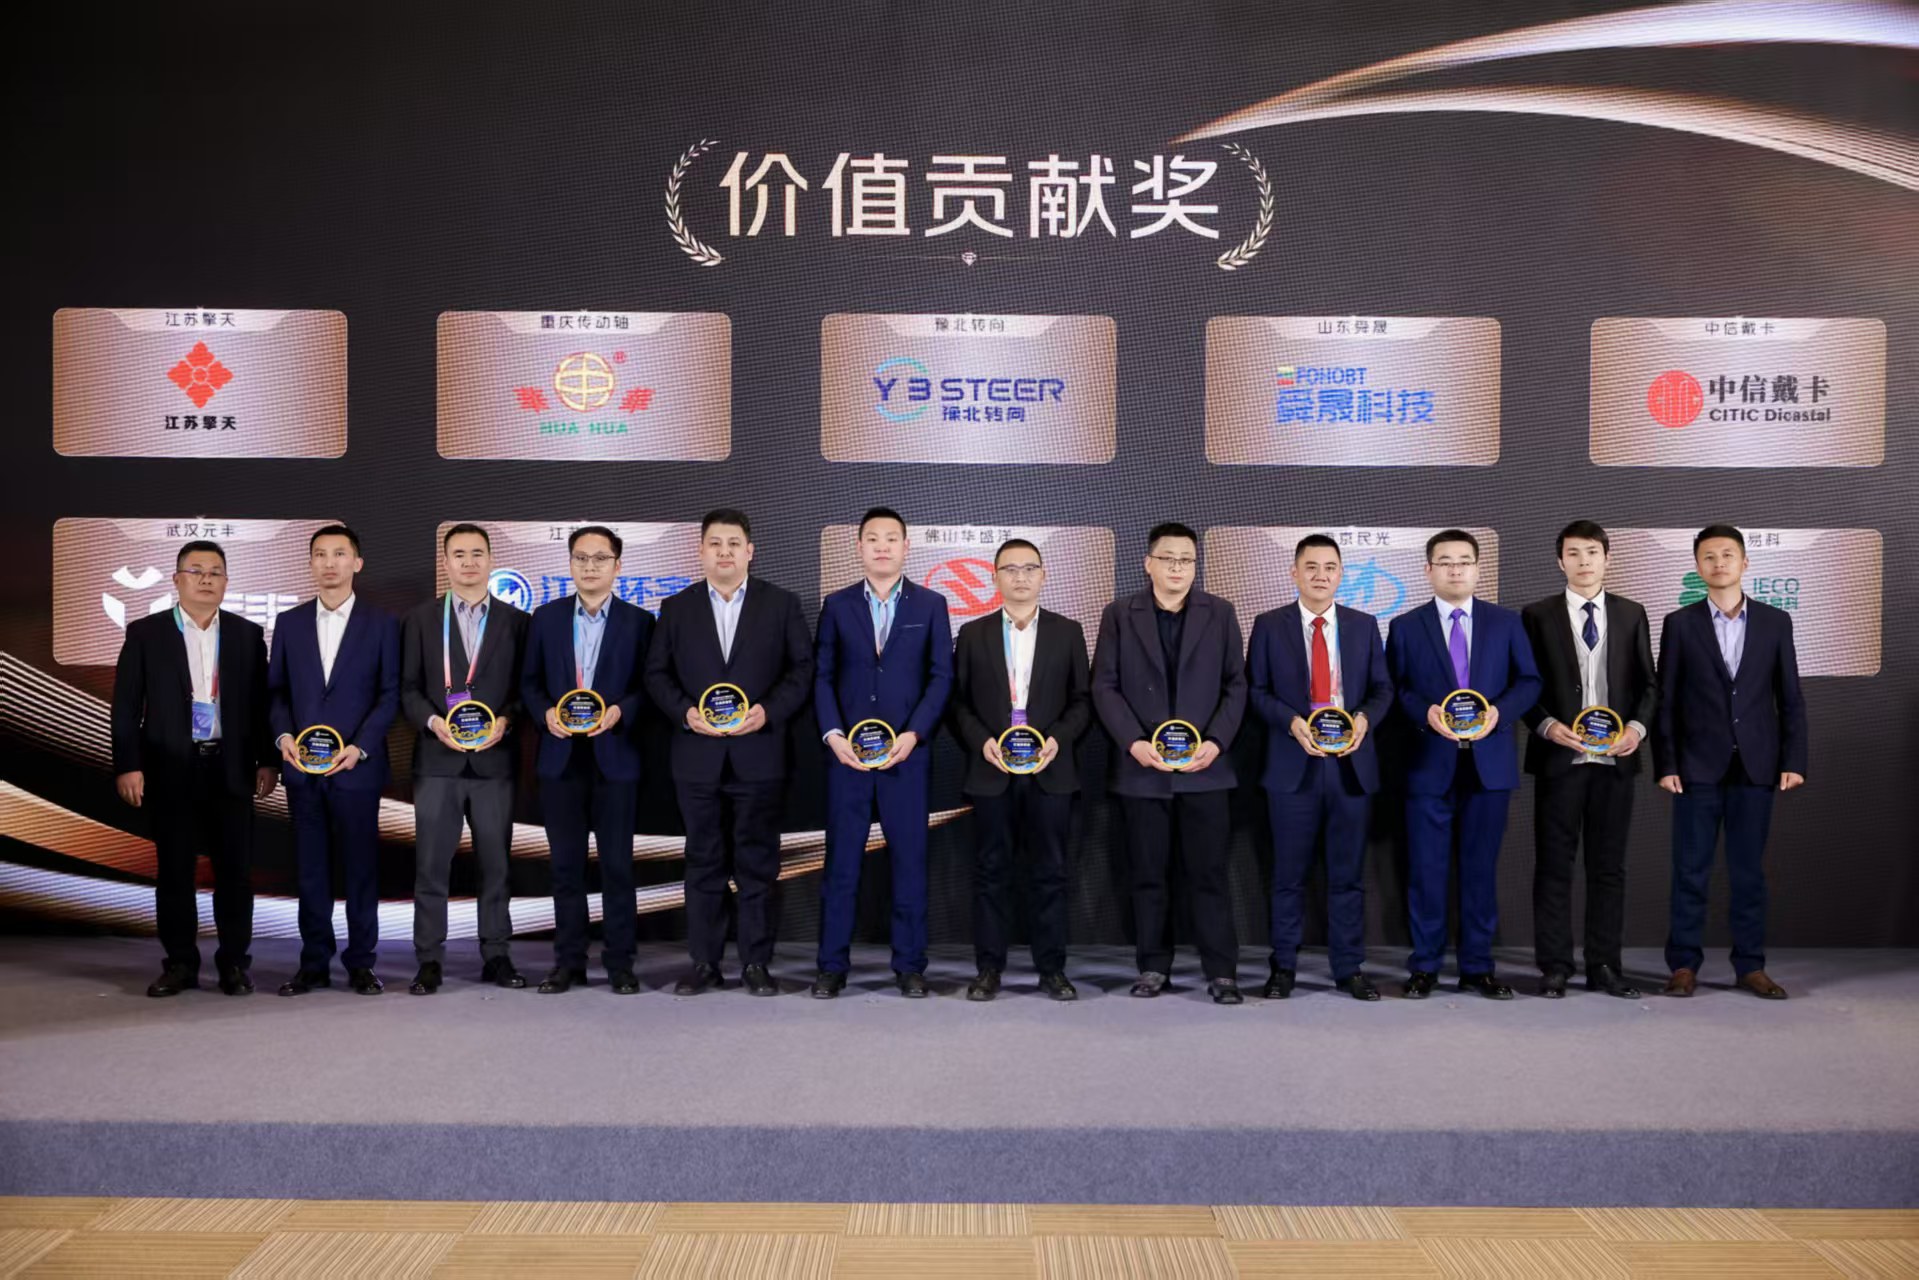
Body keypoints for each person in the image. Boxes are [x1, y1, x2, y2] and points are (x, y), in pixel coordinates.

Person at [644, 509, 814, 997]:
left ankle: (756, 963)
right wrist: (684, 713)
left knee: (758, 864)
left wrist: (767, 712)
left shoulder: (780, 604)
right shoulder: (676, 608)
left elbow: (802, 670)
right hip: (697, 757)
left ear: (749, 551)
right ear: (700, 551)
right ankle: (705, 963)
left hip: (759, 754)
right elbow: (656, 674)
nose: (724, 552)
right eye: (715, 543)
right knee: (703, 862)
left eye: (733, 543)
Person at [111, 539, 278, 997]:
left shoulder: (247, 635)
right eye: (196, 570)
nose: (206, 579)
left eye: (215, 572)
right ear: (177, 579)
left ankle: (234, 964)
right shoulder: (146, 633)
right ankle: (180, 963)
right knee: (175, 871)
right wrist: (128, 765)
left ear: (226, 581)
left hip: (231, 768)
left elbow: (260, 707)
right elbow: (125, 708)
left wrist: (267, 760)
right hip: (170, 769)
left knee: (235, 873)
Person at [1091, 522, 1248, 1004]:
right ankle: (1153, 966)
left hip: (1206, 770)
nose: (1177, 567)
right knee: (1147, 874)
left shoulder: (1221, 613)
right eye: (1168, 558)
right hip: (1142, 770)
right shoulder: (1120, 614)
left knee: (1209, 875)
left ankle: (1221, 971)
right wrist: (1134, 742)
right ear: (1148, 563)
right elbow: (1104, 685)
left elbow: (1236, 685)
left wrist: (1216, 742)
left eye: (1187, 560)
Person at [1385, 529, 1541, 1000]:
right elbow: (1394, 689)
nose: (1455, 569)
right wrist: (1425, 713)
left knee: (1480, 871)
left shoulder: (1506, 623)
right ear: (1428, 569)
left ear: (1477, 568)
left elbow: (1529, 681)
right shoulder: (1405, 626)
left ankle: (1477, 967)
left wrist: (1499, 713)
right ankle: (1424, 966)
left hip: (1489, 766)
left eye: (1464, 561)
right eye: (1445, 561)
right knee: (1426, 871)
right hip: (1427, 765)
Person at [1655, 524, 1807, 1000]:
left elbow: (1790, 697)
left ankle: (1750, 966)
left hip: (1757, 766)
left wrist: (1794, 758)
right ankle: (1683, 965)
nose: (1718, 563)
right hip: (1696, 767)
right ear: (1697, 566)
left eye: (1727, 555)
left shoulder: (1775, 622)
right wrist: (1666, 763)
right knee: (1690, 872)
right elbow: (1666, 701)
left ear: (1745, 562)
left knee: (1748, 874)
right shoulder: (1680, 624)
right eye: (1709, 556)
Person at [812, 507, 953, 998]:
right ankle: (831, 966)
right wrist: (833, 736)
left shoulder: (931, 604)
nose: (882, 546)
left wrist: (914, 735)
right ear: (859, 547)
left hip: (906, 758)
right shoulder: (837, 605)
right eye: (872, 538)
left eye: (891, 538)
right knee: (841, 865)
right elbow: (822, 677)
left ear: (906, 547)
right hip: (847, 759)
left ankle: (910, 966)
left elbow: (941, 677)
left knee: (909, 864)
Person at [1246, 534, 1393, 1001]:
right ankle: (1283, 967)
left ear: (1341, 574)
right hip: (1293, 766)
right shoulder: (1269, 625)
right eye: (1311, 566)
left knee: (1347, 876)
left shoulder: (1364, 625)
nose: (1320, 575)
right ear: (1294, 572)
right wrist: (1292, 723)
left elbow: (1383, 689)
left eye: (1330, 567)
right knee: (1288, 876)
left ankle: (1349, 968)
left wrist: (1364, 720)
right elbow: (1256, 691)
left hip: (1351, 767)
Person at [946, 537, 1092, 1001]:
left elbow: (1082, 701)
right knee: (991, 872)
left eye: (1030, 568)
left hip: (1050, 772)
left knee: (1051, 872)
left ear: (1044, 576)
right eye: (1010, 569)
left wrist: (1057, 740)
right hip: (992, 772)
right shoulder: (973, 634)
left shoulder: (1068, 632)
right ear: (995, 578)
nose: (1021, 577)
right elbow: (958, 703)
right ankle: (989, 968)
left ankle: (1052, 969)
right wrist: (983, 742)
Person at [1520, 520, 1656, 999]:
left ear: (1607, 558)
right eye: (1574, 553)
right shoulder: (1537, 615)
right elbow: (1524, 685)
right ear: (1560, 561)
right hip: (1560, 761)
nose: (1583, 561)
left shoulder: (1631, 613)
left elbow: (1649, 685)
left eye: (1592, 552)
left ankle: (1604, 965)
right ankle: (1555, 965)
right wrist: (1545, 725)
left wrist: (1636, 730)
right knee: (1554, 865)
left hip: (1614, 763)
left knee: (1608, 868)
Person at [520, 526, 654, 994]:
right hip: (560, 759)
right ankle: (568, 962)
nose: (590, 566)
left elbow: (648, 687)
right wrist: (545, 714)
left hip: (615, 757)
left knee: (617, 866)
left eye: (600, 558)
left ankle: (620, 963)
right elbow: (529, 683)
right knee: (565, 868)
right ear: (570, 564)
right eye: (581, 558)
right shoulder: (546, 618)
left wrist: (621, 712)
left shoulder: (640, 622)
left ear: (618, 566)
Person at [269, 524, 401, 996]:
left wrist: (359, 747)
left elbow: (390, 695)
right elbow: (277, 692)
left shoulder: (383, 624)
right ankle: (313, 963)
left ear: (357, 563)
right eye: (320, 554)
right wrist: (284, 735)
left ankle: (361, 963)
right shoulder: (289, 623)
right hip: (303, 771)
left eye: (339, 554)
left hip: (356, 769)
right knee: (310, 871)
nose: (330, 563)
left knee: (361, 870)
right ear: (310, 563)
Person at [398, 523, 529, 995]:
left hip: (494, 763)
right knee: (431, 867)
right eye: (459, 554)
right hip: (438, 761)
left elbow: (526, 690)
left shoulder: (517, 622)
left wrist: (506, 721)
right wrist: (435, 723)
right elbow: (408, 689)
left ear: (490, 561)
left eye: (477, 553)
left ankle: (496, 954)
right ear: (446, 562)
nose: (468, 562)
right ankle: (429, 960)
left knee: (496, 866)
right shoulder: (420, 620)